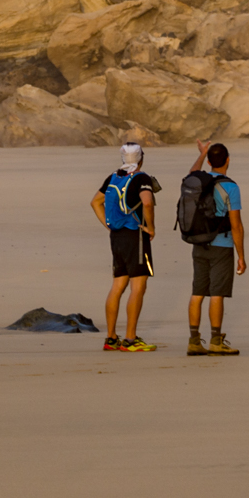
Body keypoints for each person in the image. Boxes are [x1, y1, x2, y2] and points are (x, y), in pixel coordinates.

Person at [91, 142, 160, 352]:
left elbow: (95, 202)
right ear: (140, 159)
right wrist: (151, 227)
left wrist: (109, 226)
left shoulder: (114, 176)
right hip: (135, 236)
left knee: (117, 286)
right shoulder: (141, 178)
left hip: (117, 238)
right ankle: (130, 339)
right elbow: (147, 202)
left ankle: (111, 338)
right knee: (138, 287)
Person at [183, 140, 246, 356]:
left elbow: (191, 172)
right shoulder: (231, 187)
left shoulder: (197, 180)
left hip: (199, 242)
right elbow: (236, 225)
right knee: (217, 293)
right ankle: (216, 340)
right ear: (228, 160)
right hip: (222, 244)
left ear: (209, 161)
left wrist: (201, 154)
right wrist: (241, 256)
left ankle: (193, 340)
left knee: (198, 292)